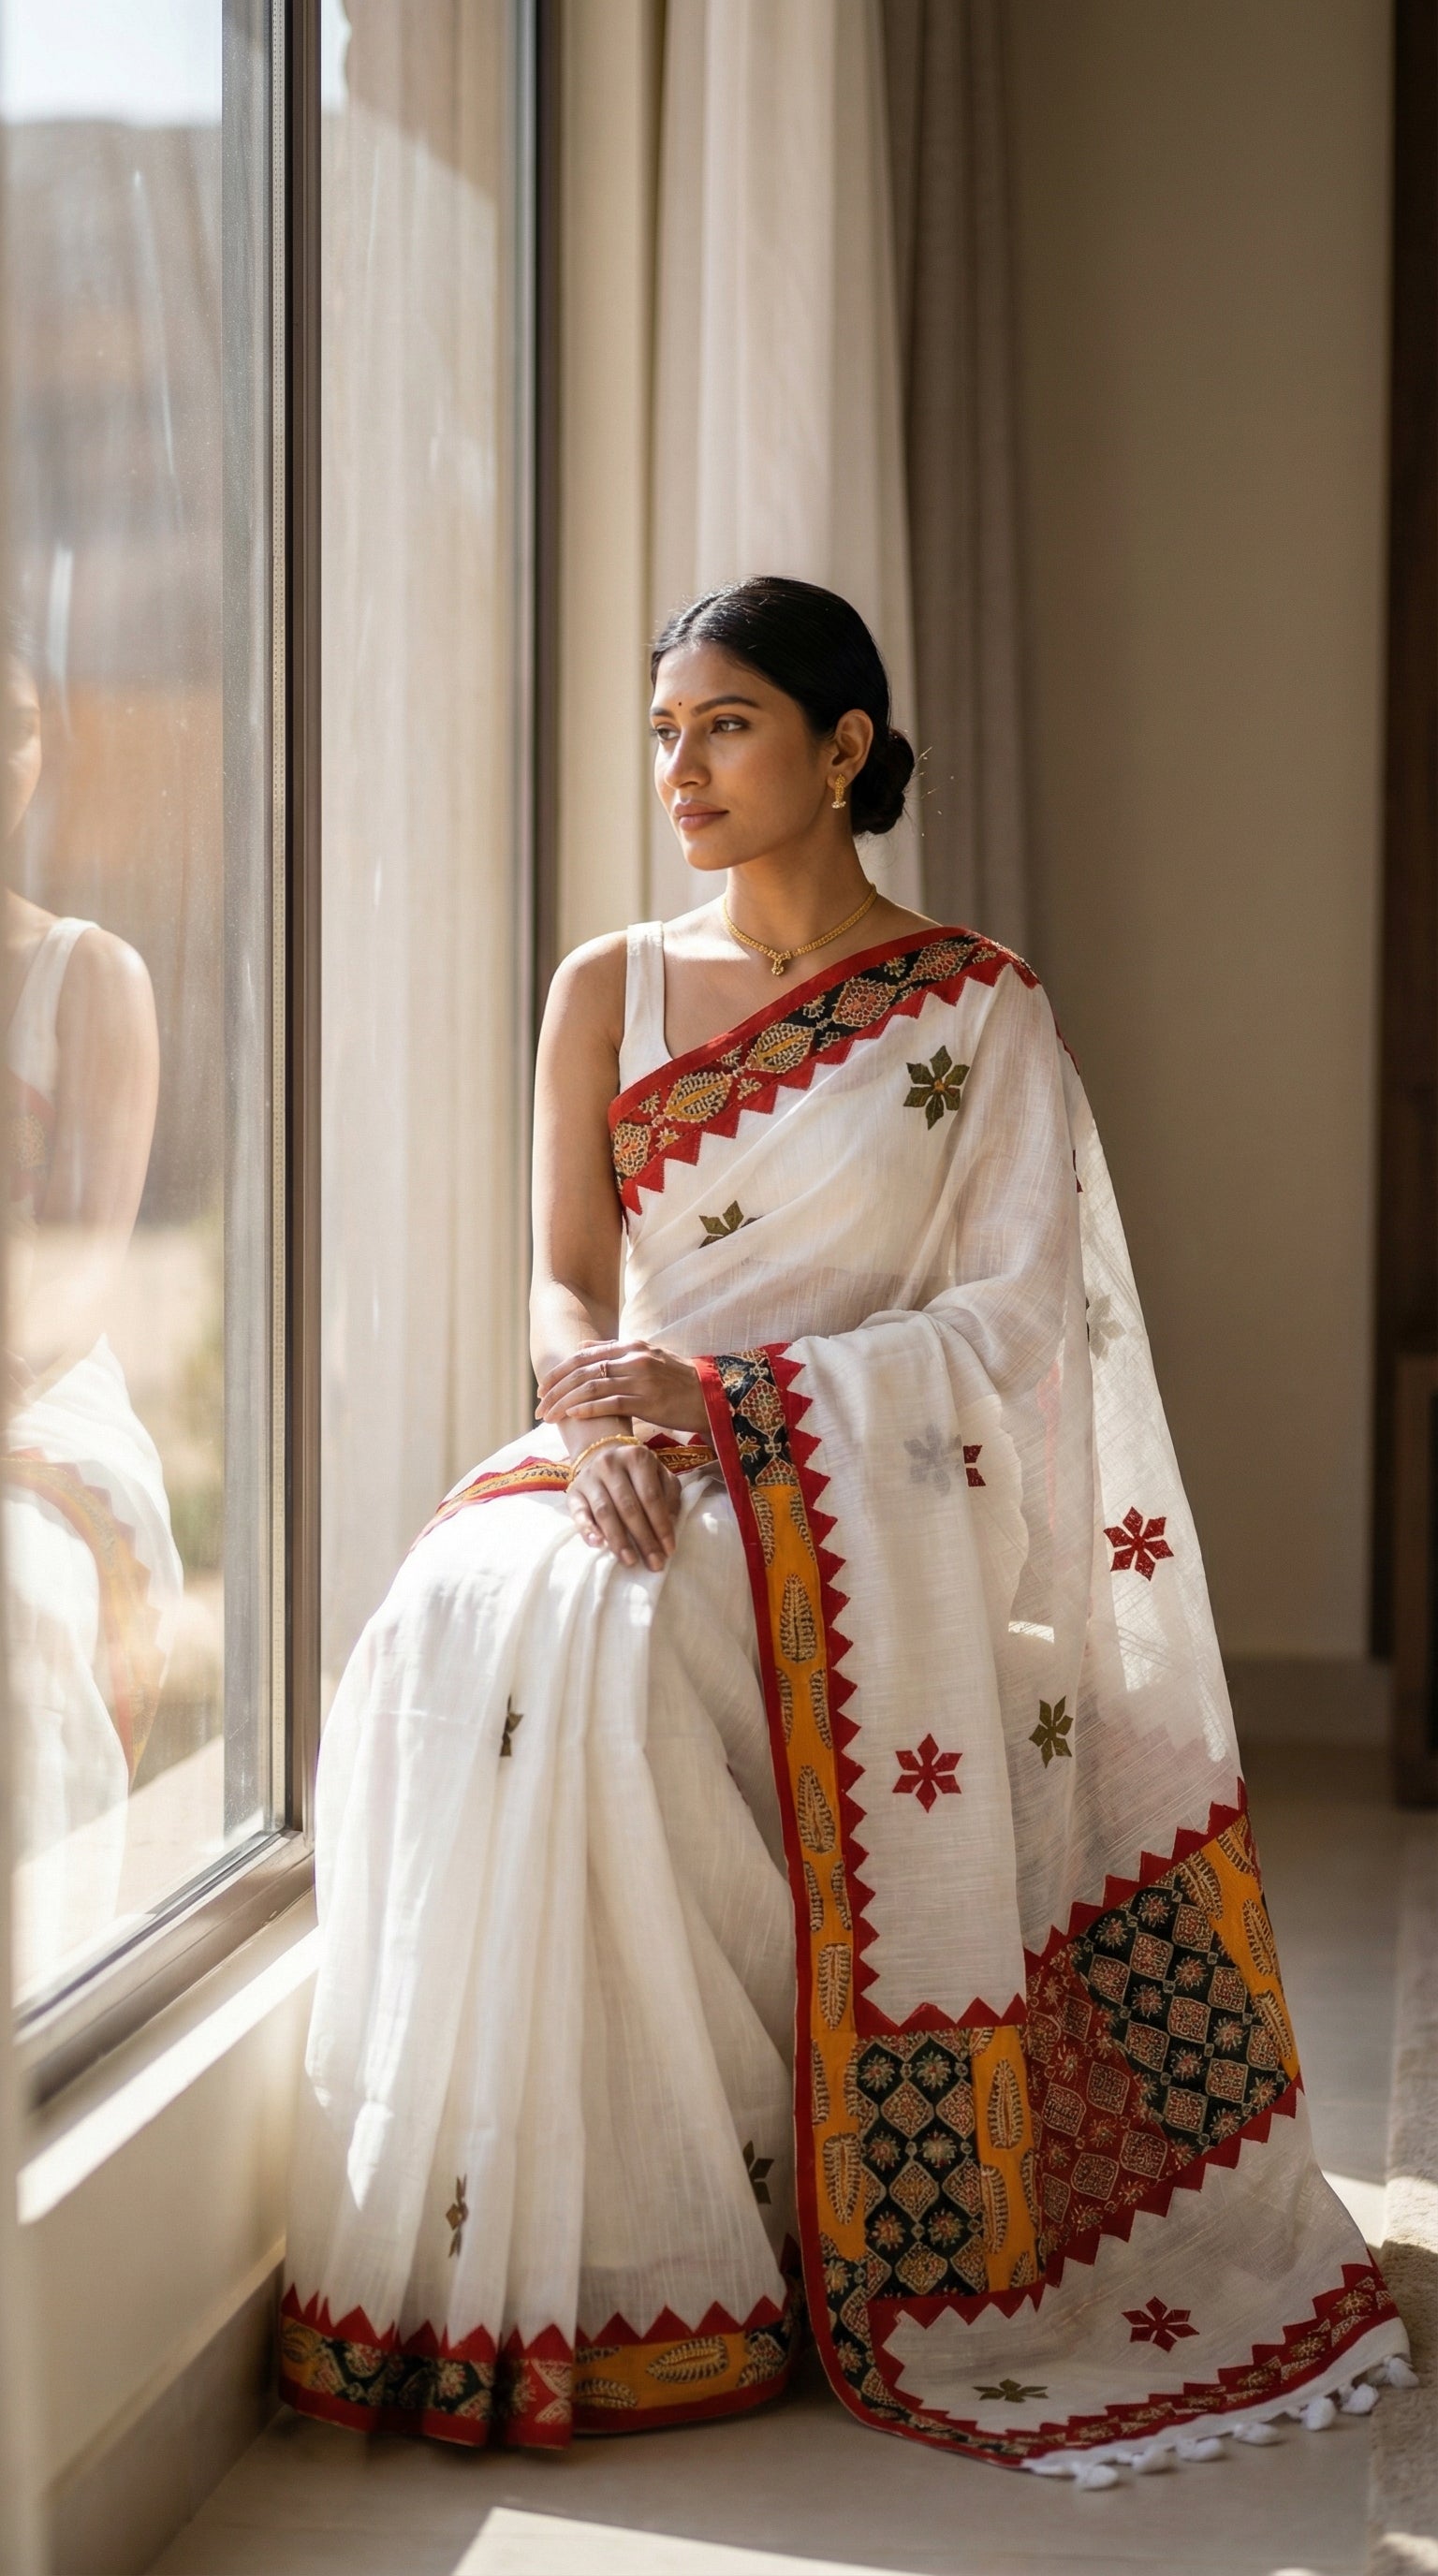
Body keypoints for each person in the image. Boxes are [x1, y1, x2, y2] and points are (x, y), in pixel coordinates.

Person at [281, 577, 1408, 2477]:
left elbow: (1011, 1323)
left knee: (616, 1640)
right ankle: (570, 2252)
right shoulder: (607, 985)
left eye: (723, 725)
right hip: (631, 1438)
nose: (681, 769)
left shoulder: (973, 1005)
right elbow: (566, 1284)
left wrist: (732, 1409)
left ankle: (712, 2258)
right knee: (463, 1602)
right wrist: (595, 1405)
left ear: (846, 747)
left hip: (863, 1494)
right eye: (664, 731)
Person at [4, 622, 183, 1991]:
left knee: (17, 1600)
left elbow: (69, 1278)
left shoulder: (86, 975)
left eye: (14, 724)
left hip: (37, 1399)